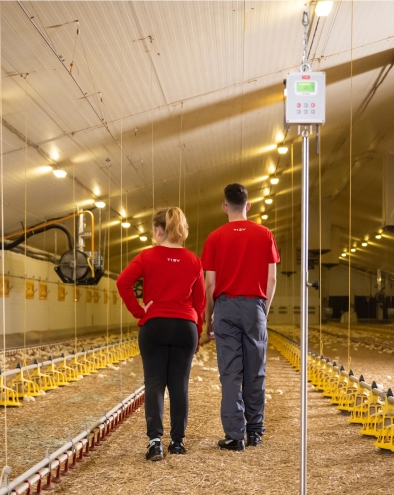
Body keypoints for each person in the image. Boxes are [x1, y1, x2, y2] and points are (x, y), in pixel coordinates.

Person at [117, 207, 205, 461]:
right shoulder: (193, 260)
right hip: (184, 327)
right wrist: (196, 333)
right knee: (179, 385)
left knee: (154, 384)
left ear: (158, 231)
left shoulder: (146, 257)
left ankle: (155, 442)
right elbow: (199, 303)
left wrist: (139, 311)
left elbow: (123, 282)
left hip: (154, 325)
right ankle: (177, 442)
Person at [201, 183, 279, 451]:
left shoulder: (214, 238)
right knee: (255, 371)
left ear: (224, 206)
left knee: (231, 373)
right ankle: (255, 432)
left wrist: (209, 317)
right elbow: (271, 278)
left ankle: (235, 436)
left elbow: (209, 284)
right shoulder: (264, 234)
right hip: (254, 305)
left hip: (225, 306)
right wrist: (263, 312)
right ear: (248, 205)